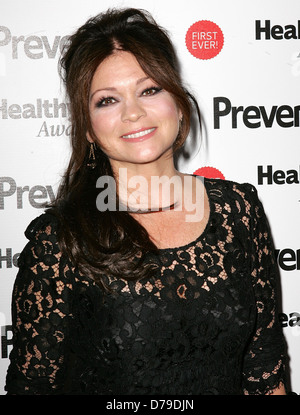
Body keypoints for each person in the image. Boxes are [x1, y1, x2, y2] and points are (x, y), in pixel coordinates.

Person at [5, 8, 287, 395]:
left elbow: (264, 365)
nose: (133, 113)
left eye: (149, 89)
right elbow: (33, 386)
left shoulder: (238, 209)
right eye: (107, 100)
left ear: (177, 99)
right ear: (87, 126)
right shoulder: (60, 240)